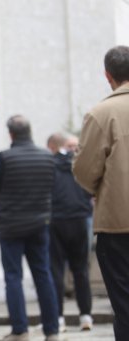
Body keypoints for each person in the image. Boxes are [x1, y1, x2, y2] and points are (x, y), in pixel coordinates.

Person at [73, 45, 129, 341]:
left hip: (117, 221)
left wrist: (102, 190)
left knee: (124, 304)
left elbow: (84, 170)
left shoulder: (101, 113)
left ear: (108, 76)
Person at [0, 115, 59, 341]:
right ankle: (52, 331)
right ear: (30, 131)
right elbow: (54, 188)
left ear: (11, 134)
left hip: (11, 227)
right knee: (43, 274)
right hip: (40, 225)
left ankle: (20, 331)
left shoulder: (5, 158)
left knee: (13, 277)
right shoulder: (48, 157)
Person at [47, 132, 93, 332]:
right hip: (80, 220)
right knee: (81, 270)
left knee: (56, 271)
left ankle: (58, 319)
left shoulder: (49, 164)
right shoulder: (81, 164)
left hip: (55, 220)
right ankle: (86, 316)